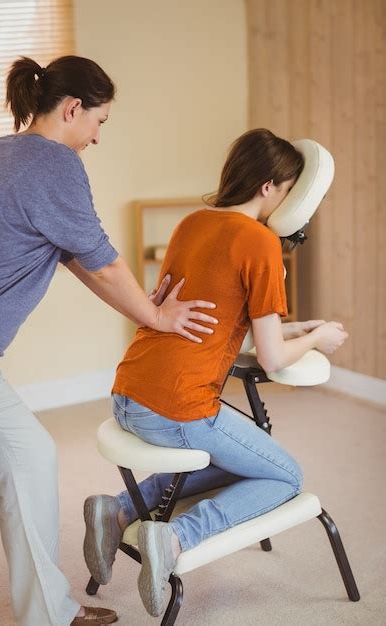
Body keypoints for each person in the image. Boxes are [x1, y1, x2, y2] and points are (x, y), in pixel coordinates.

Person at [0, 55, 219, 626]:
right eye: (99, 122)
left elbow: (79, 256)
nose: (98, 137)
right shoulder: (54, 164)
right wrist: (156, 319)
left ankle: (49, 615)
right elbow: (103, 264)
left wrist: (140, 308)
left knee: (30, 457)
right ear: (73, 108)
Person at [83, 128, 349, 617]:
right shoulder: (261, 242)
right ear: (268, 186)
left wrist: (298, 326)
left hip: (129, 390)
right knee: (286, 475)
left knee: (245, 455)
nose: (288, 201)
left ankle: (117, 508)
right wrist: (317, 340)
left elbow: (222, 315)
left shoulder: (192, 222)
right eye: (288, 189)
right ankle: (177, 537)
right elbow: (271, 359)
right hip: (177, 407)